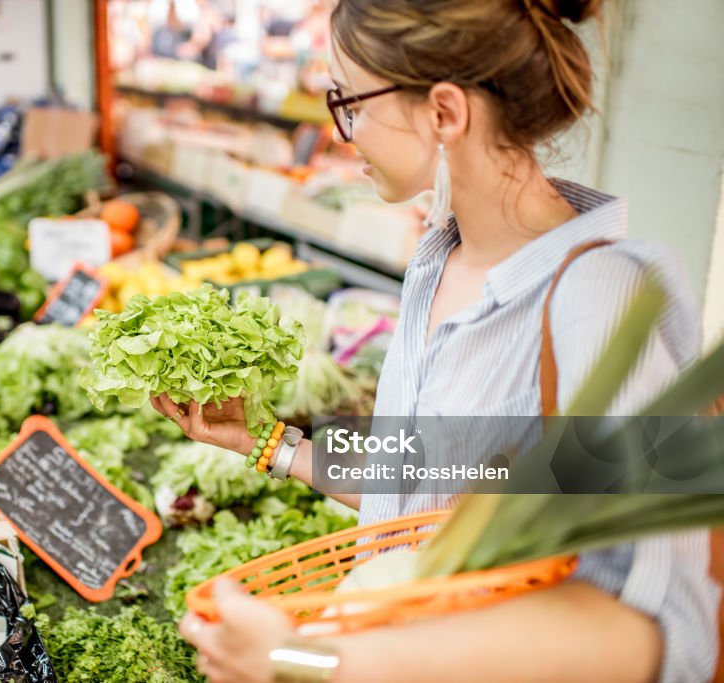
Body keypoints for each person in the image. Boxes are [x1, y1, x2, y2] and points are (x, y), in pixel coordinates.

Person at [150, 0, 720, 681]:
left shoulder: (602, 298)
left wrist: (304, 658)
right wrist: (269, 442)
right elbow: (419, 481)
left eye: (349, 102)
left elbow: (659, 629)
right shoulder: (438, 256)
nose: (342, 132)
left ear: (445, 113)